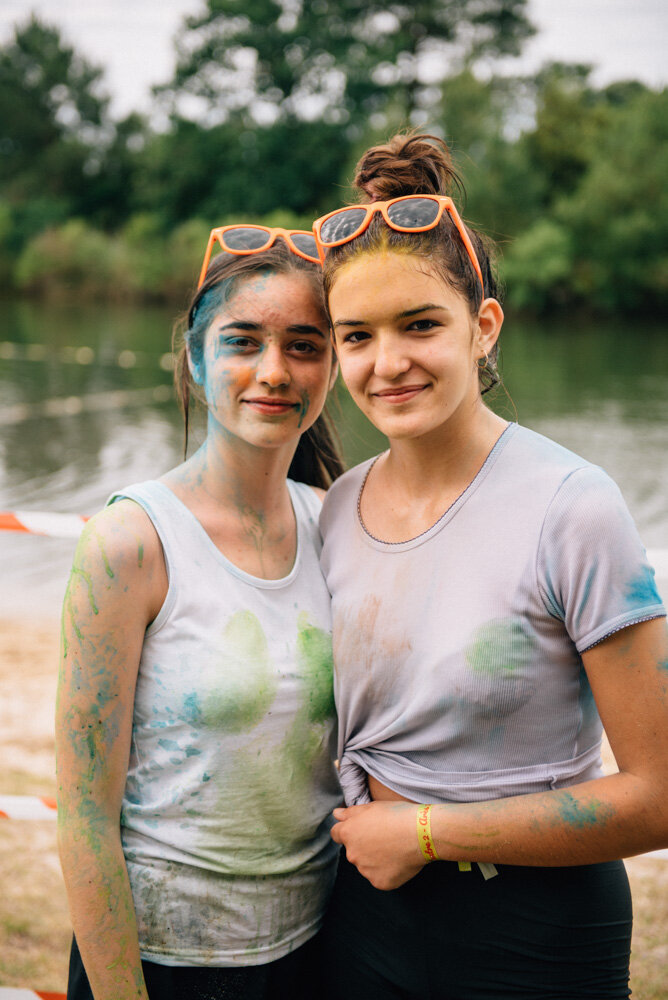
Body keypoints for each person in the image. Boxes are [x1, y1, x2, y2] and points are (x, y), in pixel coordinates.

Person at [313, 133, 668, 999]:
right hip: (359, 917)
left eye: (420, 325)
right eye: (356, 335)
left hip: (533, 936)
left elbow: (656, 797)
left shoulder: (572, 508)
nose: (387, 363)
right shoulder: (335, 508)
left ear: (484, 328)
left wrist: (427, 833)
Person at [56, 225, 344, 1000]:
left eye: (306, 345)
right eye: (243, 341)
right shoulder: (131, 541)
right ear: (192, 355)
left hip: (316, 954)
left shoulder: (340, 524)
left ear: (334, 363)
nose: (275, 372)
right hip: (162, 965)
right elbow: (85, 818)